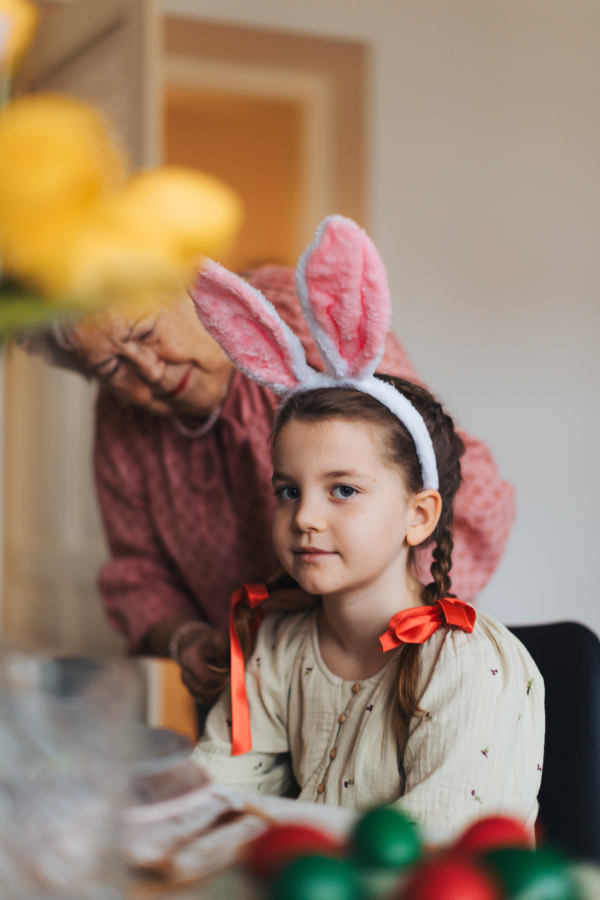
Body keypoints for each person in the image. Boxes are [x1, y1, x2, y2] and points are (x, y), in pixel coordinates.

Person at [23, 248, 514, 706]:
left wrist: (372, 626)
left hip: (378, 658)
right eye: (111, 367)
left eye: (146, 332)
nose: (148, 370)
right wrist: (185, 638)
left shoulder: (296, 327)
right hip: (251, 682)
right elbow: (138, 574)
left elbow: (448, 484)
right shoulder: (120, 420)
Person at [188, 217, 543, 835]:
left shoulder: (463, 666)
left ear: (419, 516)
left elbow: (434, 852)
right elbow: (211, 799)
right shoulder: (279, 646)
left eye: (344, 490)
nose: (304, 517)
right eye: (288, 491)